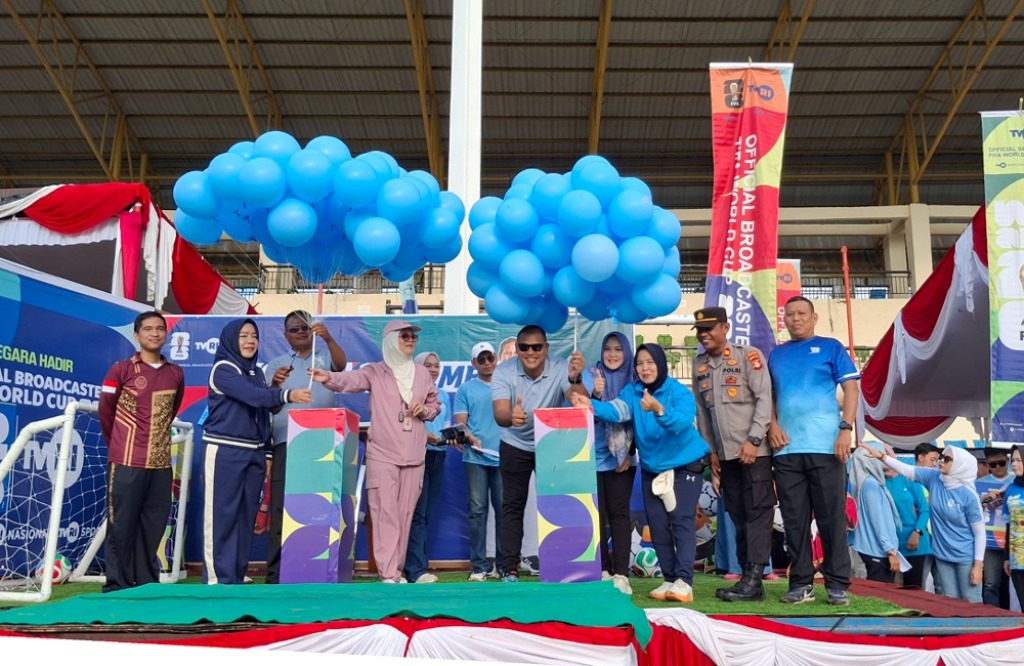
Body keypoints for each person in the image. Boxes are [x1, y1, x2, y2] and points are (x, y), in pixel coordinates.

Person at [572, 343, 709, 603]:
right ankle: (669, 578)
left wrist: (659, 409)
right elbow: (617, 411)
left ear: (661, 364)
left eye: (650, 362)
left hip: (684, 464)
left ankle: (684, 581)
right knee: (657, 524)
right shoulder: (633, 391)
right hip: (651, 469)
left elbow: (682, 423)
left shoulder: (677, 391)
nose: (645, 368)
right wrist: (590, 404)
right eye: (640, 363)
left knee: (681, 520)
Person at [311, 319, 440, 583]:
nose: (411, 340)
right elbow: (352, 380)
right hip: (383, 453)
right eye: (405, 336)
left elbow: (434, 403)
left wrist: (425, 410)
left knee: (405, 515)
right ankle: (387, 572)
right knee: (385, 513)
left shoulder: (421, 373)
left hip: (415, 454)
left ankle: (396, 570)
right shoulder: (376, 371)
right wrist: (329, 378)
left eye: (413, 337)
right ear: (391, 340)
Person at [202, 318, 312, 584]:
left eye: (254, 336)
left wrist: (268, 451)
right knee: (221, 516)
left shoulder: (257, 374)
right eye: (243, 336)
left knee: (245, 517)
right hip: (225, 450)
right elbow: (252, 397)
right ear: (231, 340)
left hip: (254, 453)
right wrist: (287, 395)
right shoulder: (223, 369)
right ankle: (217, 579)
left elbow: (266, 409)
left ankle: (235, 574)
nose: (250, 341)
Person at [768, 296, 860, 606]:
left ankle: (836, 584)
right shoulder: (776, 354)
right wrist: (772, 426)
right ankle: (801, 583)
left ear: (814, 317)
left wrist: (845, 429)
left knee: (831, 517)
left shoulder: (830, 347)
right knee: (793, 520)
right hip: (785, 449)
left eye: (801, 313)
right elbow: (769, 395)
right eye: (789, 314)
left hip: (826, 447)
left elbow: (851, 388)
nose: (795, 319)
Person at [491, 325, 586, 583]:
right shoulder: (504, 371)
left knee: (557, 504)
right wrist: (511, 417)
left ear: (547, 348)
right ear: (517, 348)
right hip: (514, 444)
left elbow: (580, 403)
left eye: (537, 347)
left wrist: (575, 380)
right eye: (524, 347)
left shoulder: (560, 367)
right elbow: (500, 413)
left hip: (549, 443)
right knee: (512, 505)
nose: (530, 352)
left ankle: (558, 566)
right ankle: (509, 569)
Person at [691, 306, 774, 602]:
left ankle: (754, 577)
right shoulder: (699, 364)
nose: (704, 335)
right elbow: (703, 413)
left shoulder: (747, 356)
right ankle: (747, 579)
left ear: (725, 328)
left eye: (709, 329)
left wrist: (754, 440)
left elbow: (764, 399)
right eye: (700, 330)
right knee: (737, 515)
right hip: (725, 456)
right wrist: (711, 451)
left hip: (755, 452)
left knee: (757, 514)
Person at [98, 311, 185, 592]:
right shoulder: (121, 370)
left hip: (161, 464)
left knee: (153, 525)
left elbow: (171, 412)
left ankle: (147, 582)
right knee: (121, 525)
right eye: (148, 329)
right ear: (136, 335)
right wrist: (120, 445)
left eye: (160, 328)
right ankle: (118, 584)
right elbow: (106, 413)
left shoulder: (175, 373)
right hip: (126, 460)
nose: (155, 333)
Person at [261, 311, 347, 584]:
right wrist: (275, 384)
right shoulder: (277, 364)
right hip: (286, 442)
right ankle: (275, 574)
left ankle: (318, 570)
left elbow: (341, 366)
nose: (300, 332)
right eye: (294, 329)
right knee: (281, 507)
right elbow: (269, 405)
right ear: (285, 335)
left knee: (321, 506)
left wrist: (328, 338)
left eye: (305, 327)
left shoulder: (324, 356)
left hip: (323, 444)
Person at [861, 444, 985, 602]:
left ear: (960, 465)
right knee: (950, 601)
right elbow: (906, 469)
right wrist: (882, 457)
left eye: (947, 459)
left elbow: (980, 533)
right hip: (943, 556)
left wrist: (978, 565)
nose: (941, 461)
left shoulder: (969, 495)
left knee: (971, 602)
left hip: (966, 557)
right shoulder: (934, 478)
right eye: (941, 457)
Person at [583, 331, 637, 595]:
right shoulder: (591, 375)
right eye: (607, 348)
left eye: (618, 349)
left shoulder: (634, 380)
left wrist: (630, 451)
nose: (612, 354)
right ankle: (602, 569)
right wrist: (594, 393)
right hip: (590, 456)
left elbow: (633, 417)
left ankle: (621, 572)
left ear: (626, 352)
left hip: (621, 458)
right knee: (596, 515)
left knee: (619, 513)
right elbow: (581, 412)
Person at [453, 342, 503, 581]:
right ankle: (479, 567)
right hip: (475, 457)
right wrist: (468, 436)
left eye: (489, 358)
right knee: (477, 511)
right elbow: (460, 424)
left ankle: (505, 566)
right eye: (481, 359)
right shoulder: (465, 389)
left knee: (505, 511)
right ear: (473, 363)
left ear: (496, 358)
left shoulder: (507, 385)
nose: (486, 363)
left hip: (505, 457)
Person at [403, 351, 450, 584]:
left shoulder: (444, 396)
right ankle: (415, 569)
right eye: (427, 365)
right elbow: (403, 425)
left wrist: (451, 438)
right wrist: (424, 436)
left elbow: (447, 427)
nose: (433, 369)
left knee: (425, 516)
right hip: (417, 455)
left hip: (438, 456)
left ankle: (418, 565)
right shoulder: (409, 392)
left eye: (436, 365)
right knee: (417, 515)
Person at [848, 443, 901, 583]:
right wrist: (890, 550)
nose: (884, 458)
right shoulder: (871, 485)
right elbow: (878, 521)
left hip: (875, 549)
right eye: (880, 454)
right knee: (881, 591)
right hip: (877, 551)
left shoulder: (863, 483)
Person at [885, 447, 932, 589]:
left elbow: (925, 510)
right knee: (887, 590)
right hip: (889, 544)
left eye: (886, 455)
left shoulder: (909, 480)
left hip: (914, 542)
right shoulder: (877, 481)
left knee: (913, 589)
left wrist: (917, 532)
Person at [979, 448, 1013, 607]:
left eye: (1001, 462)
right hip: (990, 542)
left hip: (1014, 541)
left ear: (1008, 461)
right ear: (987, 464)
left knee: (1013, 585)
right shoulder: (979, 483)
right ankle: (993, 616)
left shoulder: (1016, 481)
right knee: (991, 583)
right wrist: (983, 499)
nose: (998, 467)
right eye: (993, 464)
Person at [1002, 446, 1024, 611]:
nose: (1014, 464)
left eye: (1019, 460)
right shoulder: (1010, 489)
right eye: (1013, 460)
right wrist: (1007, 558)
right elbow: (1009, 525)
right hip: (1017, 559)